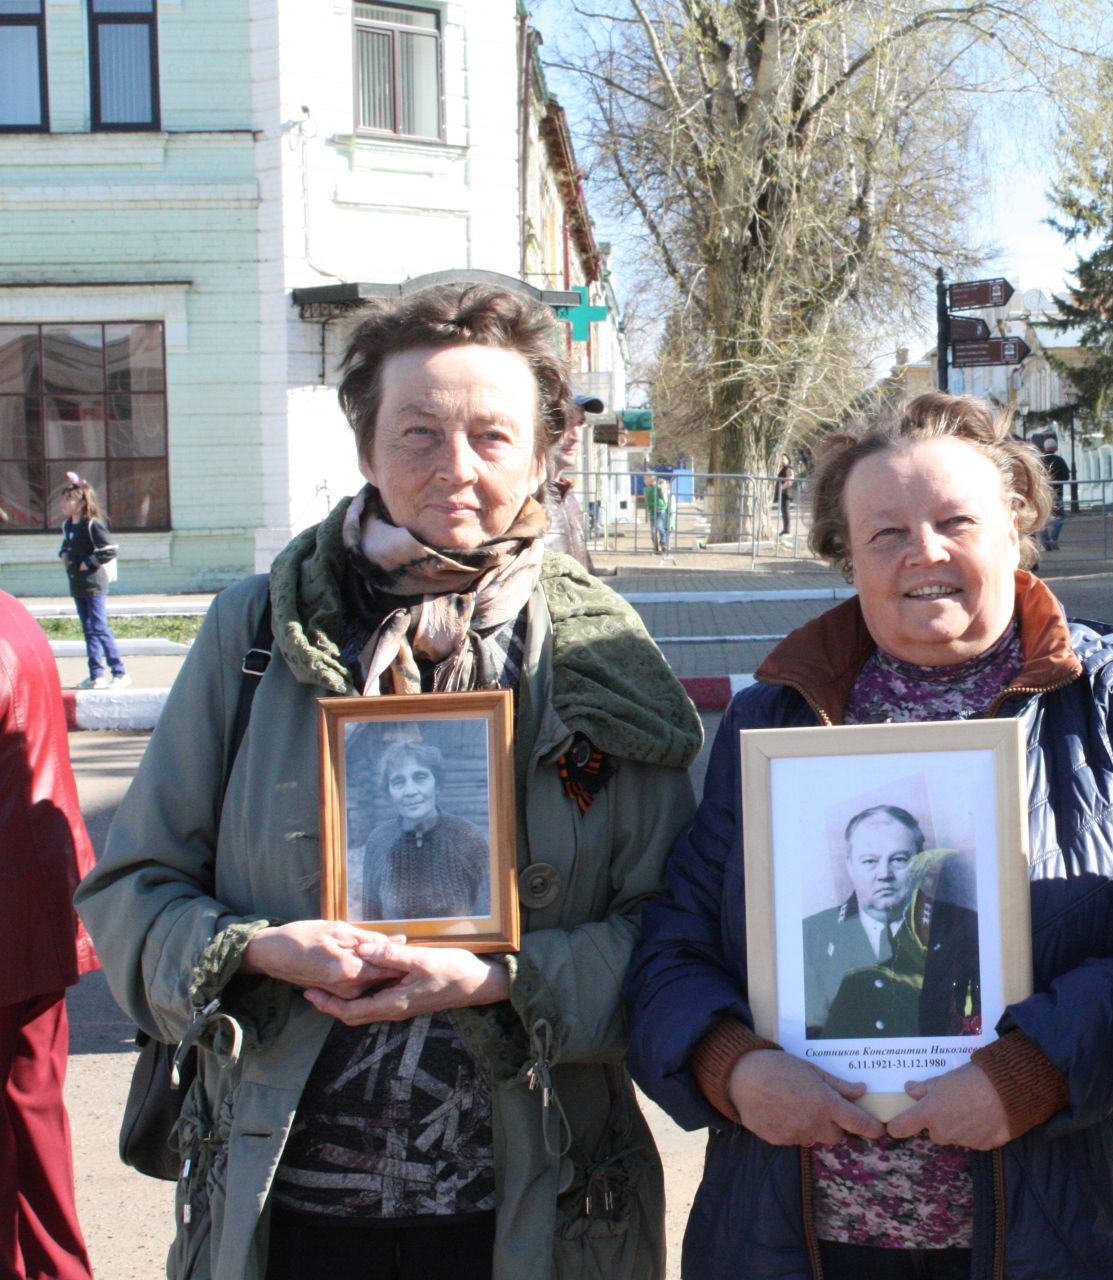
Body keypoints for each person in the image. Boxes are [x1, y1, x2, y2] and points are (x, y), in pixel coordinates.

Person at [75, 283, 703, 1280]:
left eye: (493, 436)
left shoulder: (603, 657)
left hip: (535, 1214)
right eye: (418, 433)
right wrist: (256, 949)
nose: (456, 467)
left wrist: (503, 980)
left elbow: (679, 934)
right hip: (283, 1217)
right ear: (366, 446)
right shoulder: (256, 633)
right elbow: (131, 893)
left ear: (542, 452)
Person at [626, 392, 1113, 1279]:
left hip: (1062, 1235)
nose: (926, 555)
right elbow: (672, 946)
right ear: (846, 556)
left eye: (956, 521)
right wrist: (728, 1065)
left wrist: (1033, 1074)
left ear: (1016, 526)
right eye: (887, 534)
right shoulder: (772, 723)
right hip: (802, 1238)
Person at [0, 589, 97, 1280]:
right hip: (35, 904)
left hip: (15, 911)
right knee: (29, 1125)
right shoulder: (10, 610)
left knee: (24, 1141)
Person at [801, 805, 980, 1039]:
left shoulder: (963, 927)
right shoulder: (812, 935)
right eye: (870, 861)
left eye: (898, 859)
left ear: (920, 861)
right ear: (849, 865)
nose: (884, 874)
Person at [358, 740, 490, 921]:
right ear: (389, 794)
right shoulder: (379, 841)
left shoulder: (467, 836)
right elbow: (370, 918)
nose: (410, 791)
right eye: (398, 782)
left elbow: (489, 919)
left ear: (438, 785)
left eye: (420, 777)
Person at [56, 475, 128, 690]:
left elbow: (110, 550)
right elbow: (66, 546)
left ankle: (120, 672)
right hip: (77, 583)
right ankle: (96, 675)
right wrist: (63, 554)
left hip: (94, 583)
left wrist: (89, 562)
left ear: (80, 502)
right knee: (88, 629)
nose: (64, 503)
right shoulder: (68, 525)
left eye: (68, 499)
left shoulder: (92, 525)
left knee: (98, 626)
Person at [543, 393, 599, 573]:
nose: (576, 436)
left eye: (580, 424)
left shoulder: (567, 496)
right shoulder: (523, 501)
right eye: (566, 423)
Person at [1036, 437, 1069, 552]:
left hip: (1042, 496)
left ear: (1044, 448)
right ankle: (1054, 539)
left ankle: (1046, 542)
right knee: (1060, 517)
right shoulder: (1060, 460)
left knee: (1042, 520)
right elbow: (1066, 477)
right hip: (1057, 494)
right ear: (1055, 448)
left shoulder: (1039, 461)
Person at [645, 471, 673, 555]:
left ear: (652, 478)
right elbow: (647, 500)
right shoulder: (646, 489)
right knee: (653, 531)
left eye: (646, 478)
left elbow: (664, 496)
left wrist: (665, 505)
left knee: (660, 527)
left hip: (660, 510)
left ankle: (663, 543)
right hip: (652, 511)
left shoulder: (658, 487)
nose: (644, 480)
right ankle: (656, 548)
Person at [776, 454, 797, 536]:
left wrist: (781, 488)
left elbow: (790, 479)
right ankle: (785, 529)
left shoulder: (788, 467)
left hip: (786, 493)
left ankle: (786, 529)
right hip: (784, 492)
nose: (782, 460)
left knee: (785, 511)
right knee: (784, 511)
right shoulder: (783, 468)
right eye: (781, 459)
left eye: (784, 459)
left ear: (788, 460)